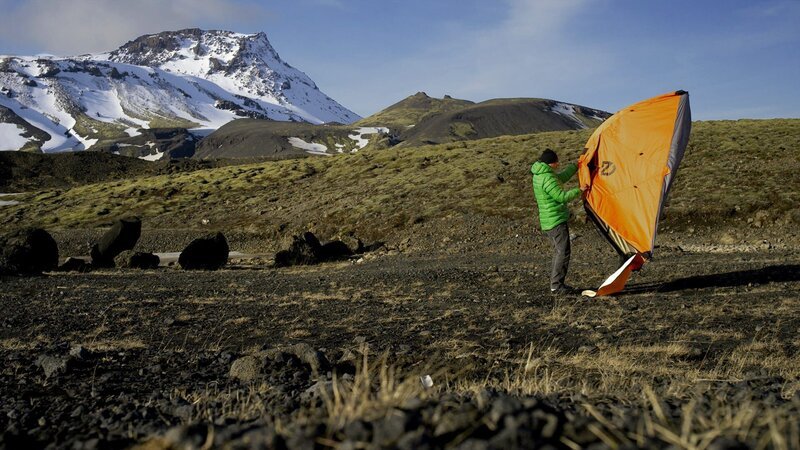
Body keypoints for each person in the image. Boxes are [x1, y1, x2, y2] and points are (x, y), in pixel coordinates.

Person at [530, 149, 585, 294]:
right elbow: (561, 197)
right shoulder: (547, 177)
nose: (558, 164)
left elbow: (560, 178)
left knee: (559, 251)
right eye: (556, 162)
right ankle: (556, 286)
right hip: (555, 221)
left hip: (549, 220)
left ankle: (556, 284)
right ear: (551, 163)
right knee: (563, 252)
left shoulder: (541, 174)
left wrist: (575, 167)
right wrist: (580, 190)